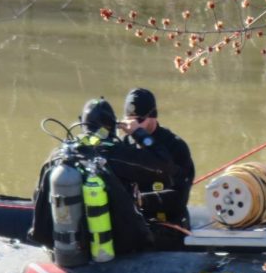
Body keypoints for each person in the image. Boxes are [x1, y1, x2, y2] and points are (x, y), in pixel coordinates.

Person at [29, 97, 178, 254]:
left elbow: (37, 197)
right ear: (112, 125)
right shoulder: (114, 153)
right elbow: (165, 165)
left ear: (81, 122)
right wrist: (138, 133)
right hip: (117, 246)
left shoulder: (59, 154)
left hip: (64, 246)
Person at [120, 88, 195, 229]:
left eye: (138, 120)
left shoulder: (176, 146)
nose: (133, 126)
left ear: (153, 115)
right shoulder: (124, 143)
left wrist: (142, 200)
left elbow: (179, 198)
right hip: (138, 222)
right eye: (129, 121)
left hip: (169, 224)